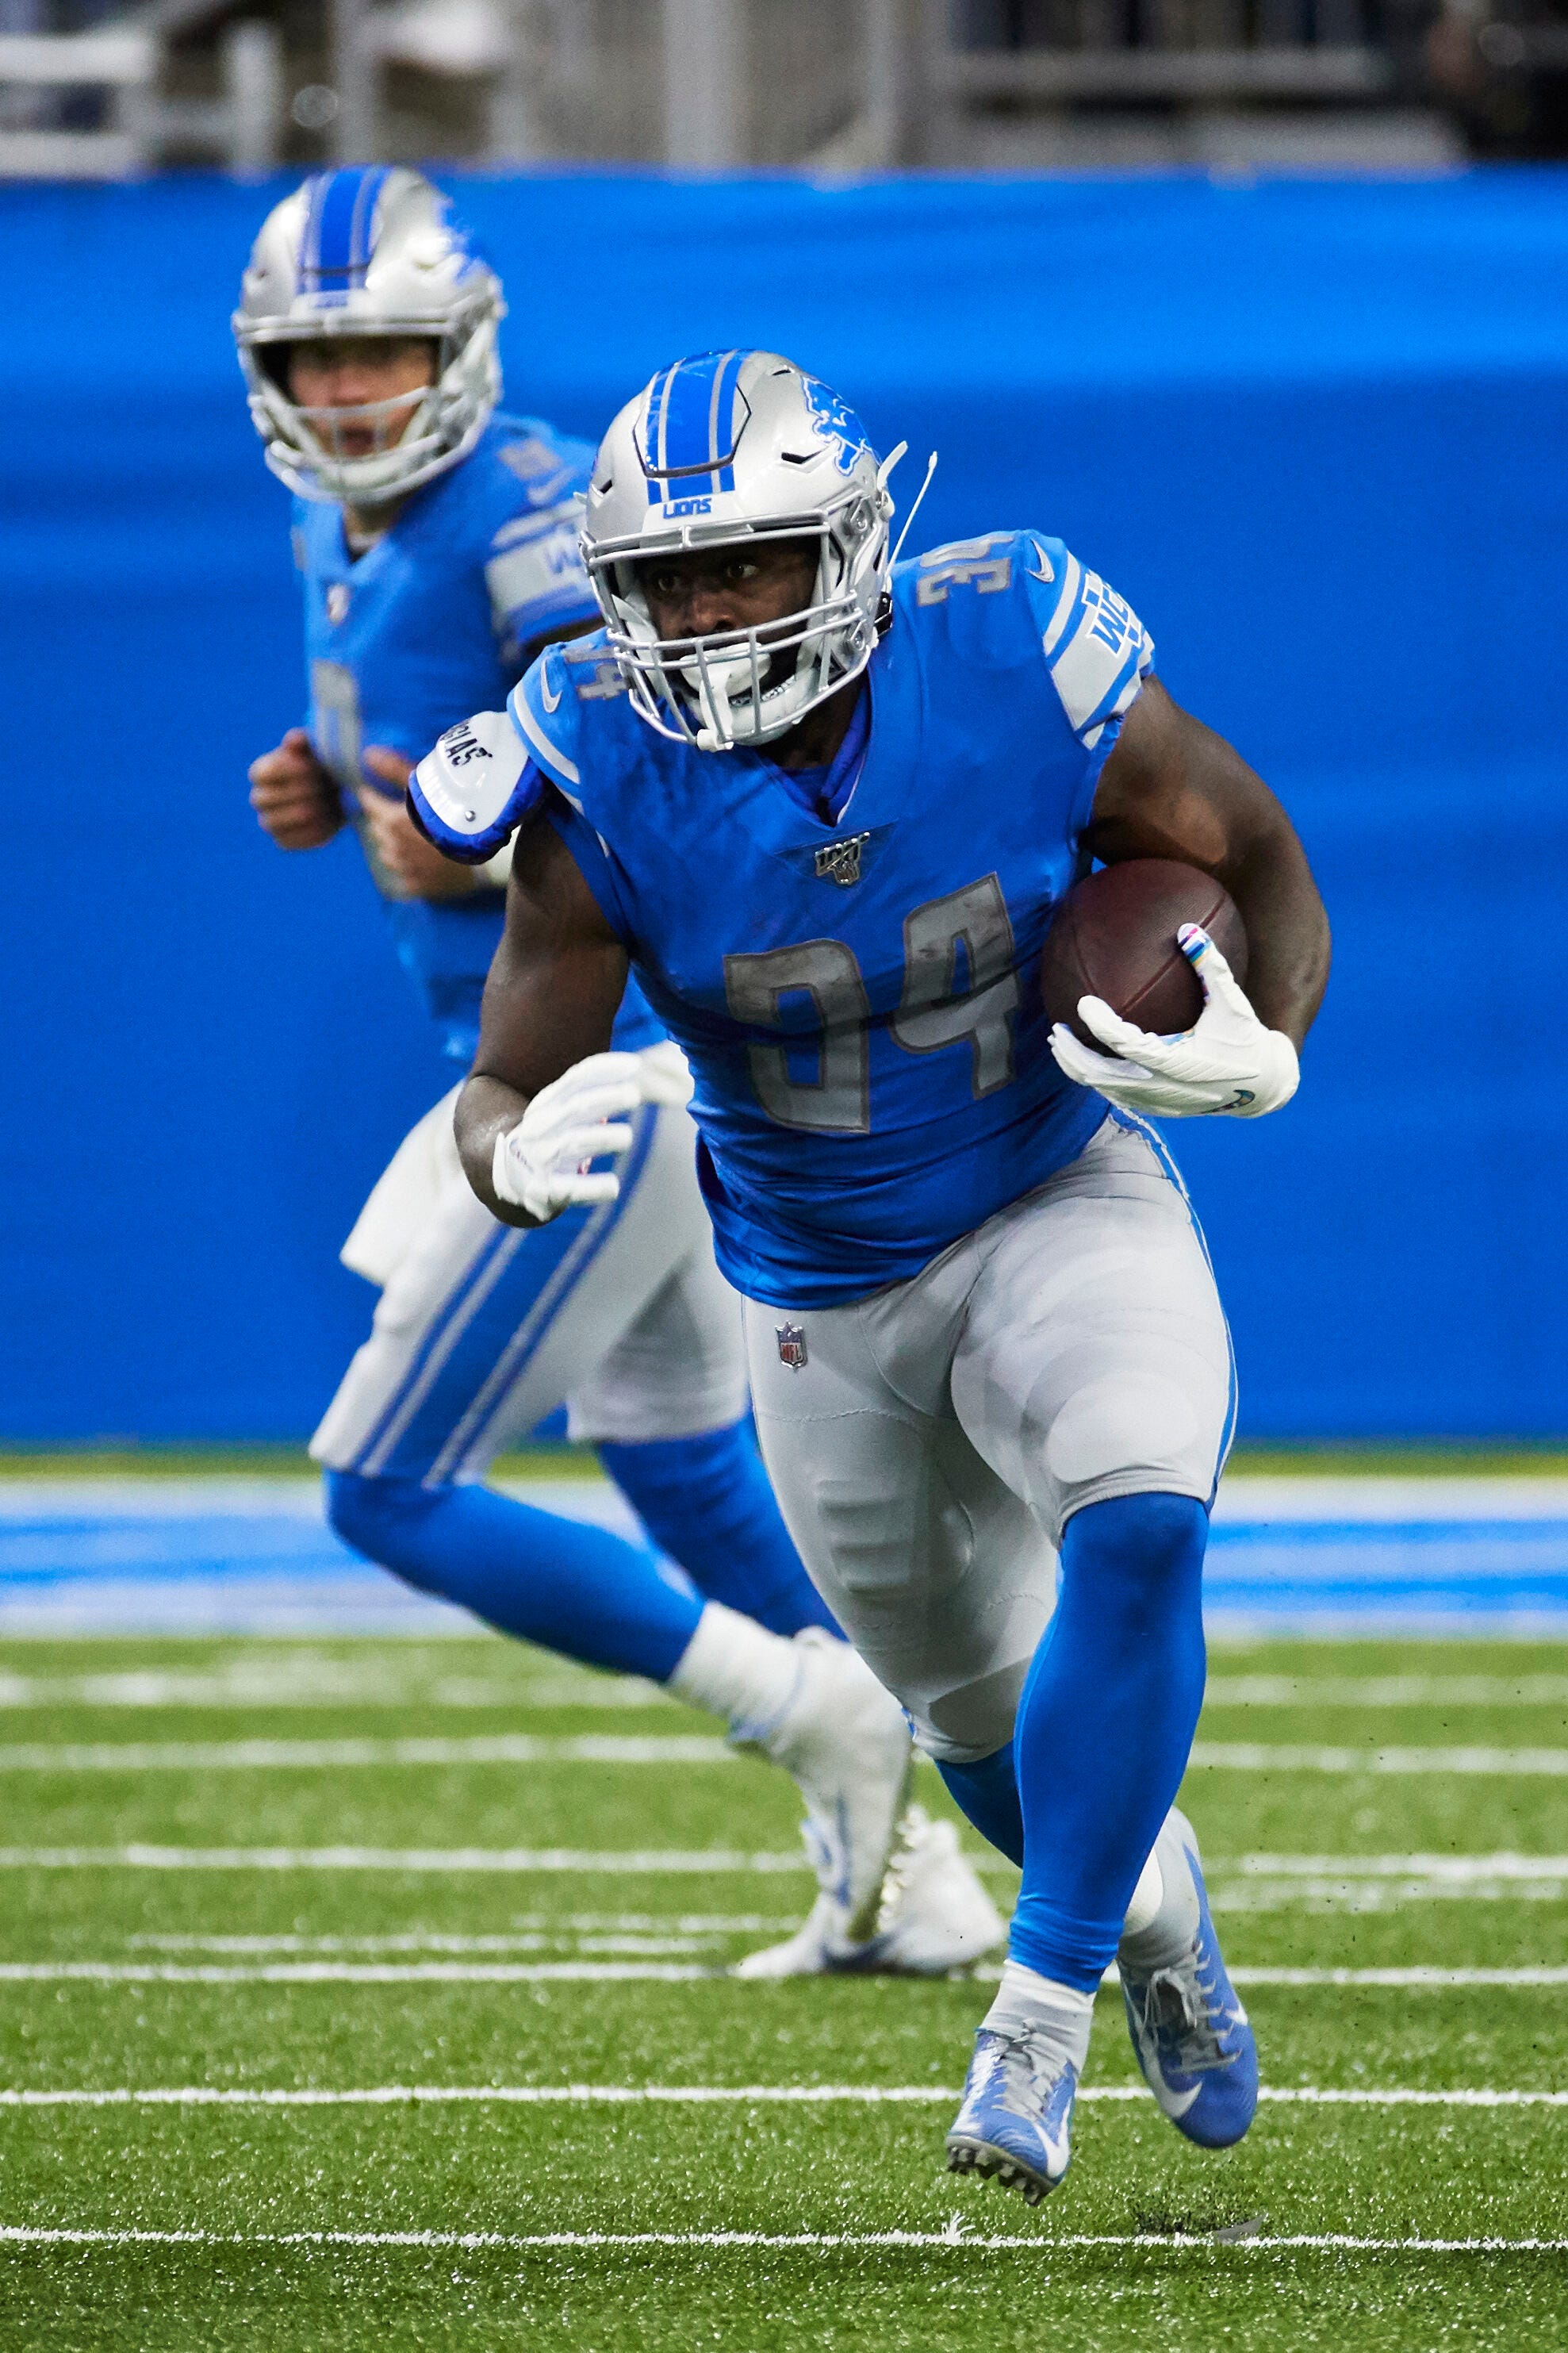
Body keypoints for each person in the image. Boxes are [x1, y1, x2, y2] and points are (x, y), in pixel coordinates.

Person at [408, 347, 1332, 2201]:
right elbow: (507, 1068)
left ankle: (1040, 2018)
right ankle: (1149, 1909)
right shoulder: (587, 753)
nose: (704, 612)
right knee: (973, 1720)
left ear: (843, 544)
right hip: (816, 1285)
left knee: (1137, 1518)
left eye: (743, 564)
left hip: (1051, 1189)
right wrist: (504, 1152)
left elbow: (1244, 850)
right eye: (667, 579)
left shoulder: (1009, 644)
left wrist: (1276, 1034)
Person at [233, 179, 1001, 1979]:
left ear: (460, 343)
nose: (346, 393)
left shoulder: (527, 524)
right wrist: (322, 781)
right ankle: (932, 1879)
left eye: (378, 352)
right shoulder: (348, 525)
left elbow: (690, 774)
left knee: (382, 1481)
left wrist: (485, 862)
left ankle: (818, 1717)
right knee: (670, 1459)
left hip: (619, 1069)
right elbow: (439, 757)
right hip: (550, 1063)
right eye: (312, 358)